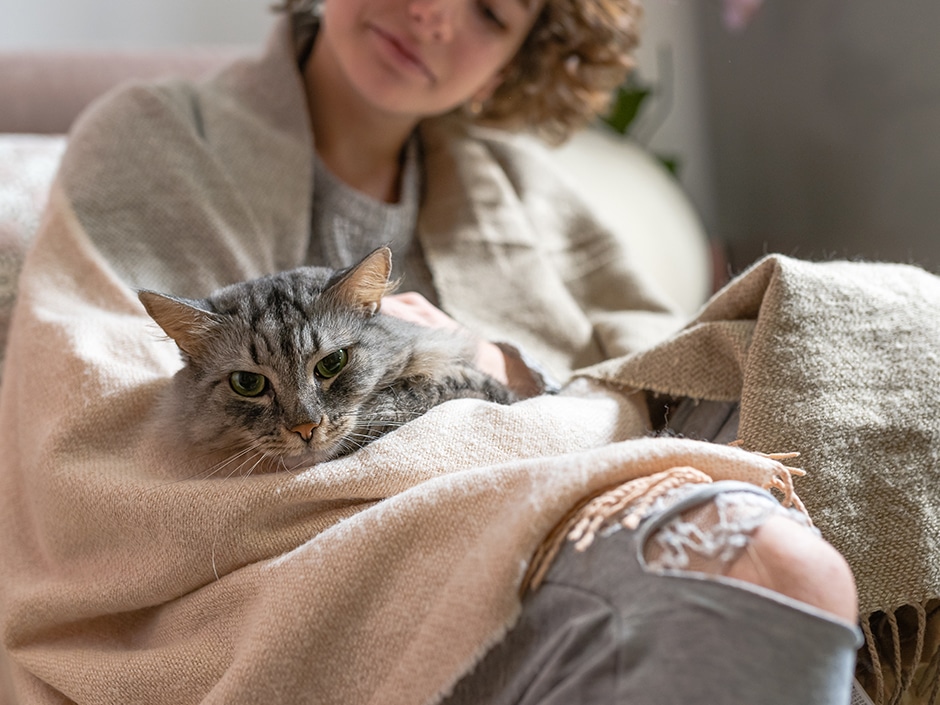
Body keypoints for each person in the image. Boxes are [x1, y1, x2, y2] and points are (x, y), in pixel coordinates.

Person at [0, 0, 864, 703]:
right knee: (774, 567)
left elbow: (658, 384)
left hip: (554, 484)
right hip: (327, 577)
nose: (432, 14)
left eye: (491, 10)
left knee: (831, 331)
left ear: (525, 53)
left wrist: (498, 365)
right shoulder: (150, 136)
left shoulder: (541, 202)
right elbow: (91, 437)